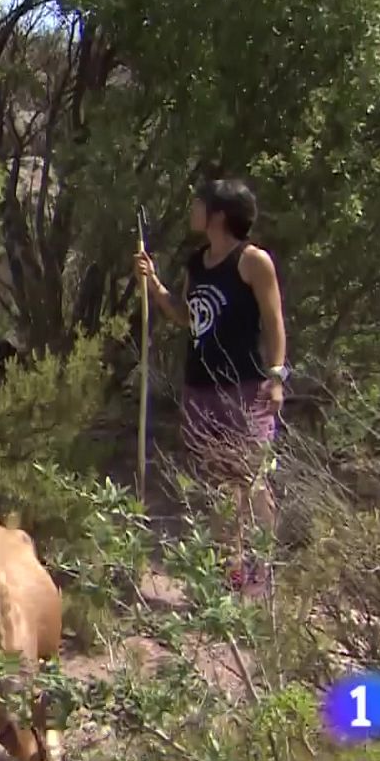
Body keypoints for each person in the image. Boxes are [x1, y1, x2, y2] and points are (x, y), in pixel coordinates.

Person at [135, 178, 288, 595]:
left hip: (244, 387)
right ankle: (231, 575)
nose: (193, 210)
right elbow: (187, 317)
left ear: (218, 214)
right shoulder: (197, 262)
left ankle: (261, 576)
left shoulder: (252, 261)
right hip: (200, 386)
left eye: (199, 204)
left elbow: (274, 322)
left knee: (251, 480)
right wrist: (155, 285)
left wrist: (277, 376)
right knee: (219, 485)